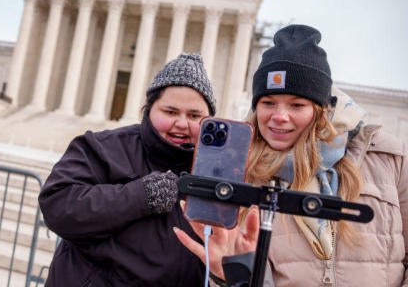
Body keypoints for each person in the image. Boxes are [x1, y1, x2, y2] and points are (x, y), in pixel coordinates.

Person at [174, 24, 408, 286]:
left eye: (297, 104)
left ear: (321, 111)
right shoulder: (241, 171)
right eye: (268, 102)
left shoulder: (388, 159)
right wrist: (227, 273)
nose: (279, 116)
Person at [39, 53, 217, 286]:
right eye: (170, 112)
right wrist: (141, 196)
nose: (182, 123)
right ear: (149, 108)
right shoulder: (104, 147)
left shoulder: (215, 173)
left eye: (194, 115)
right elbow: (58, 203)